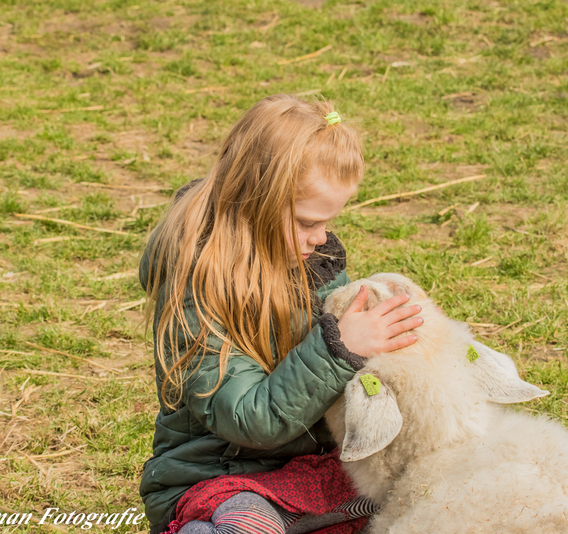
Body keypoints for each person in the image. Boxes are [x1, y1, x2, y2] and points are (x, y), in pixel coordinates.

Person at [138, 94, 423, 534]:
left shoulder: (310, 261)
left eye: (328, 222)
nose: (320, 237)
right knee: (250, 526)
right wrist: (338, 350)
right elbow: (249, 419)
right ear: (255, 201)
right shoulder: (198, 291)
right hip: (224, 480)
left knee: (419, 494)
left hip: (308, 471)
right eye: (307, 223)